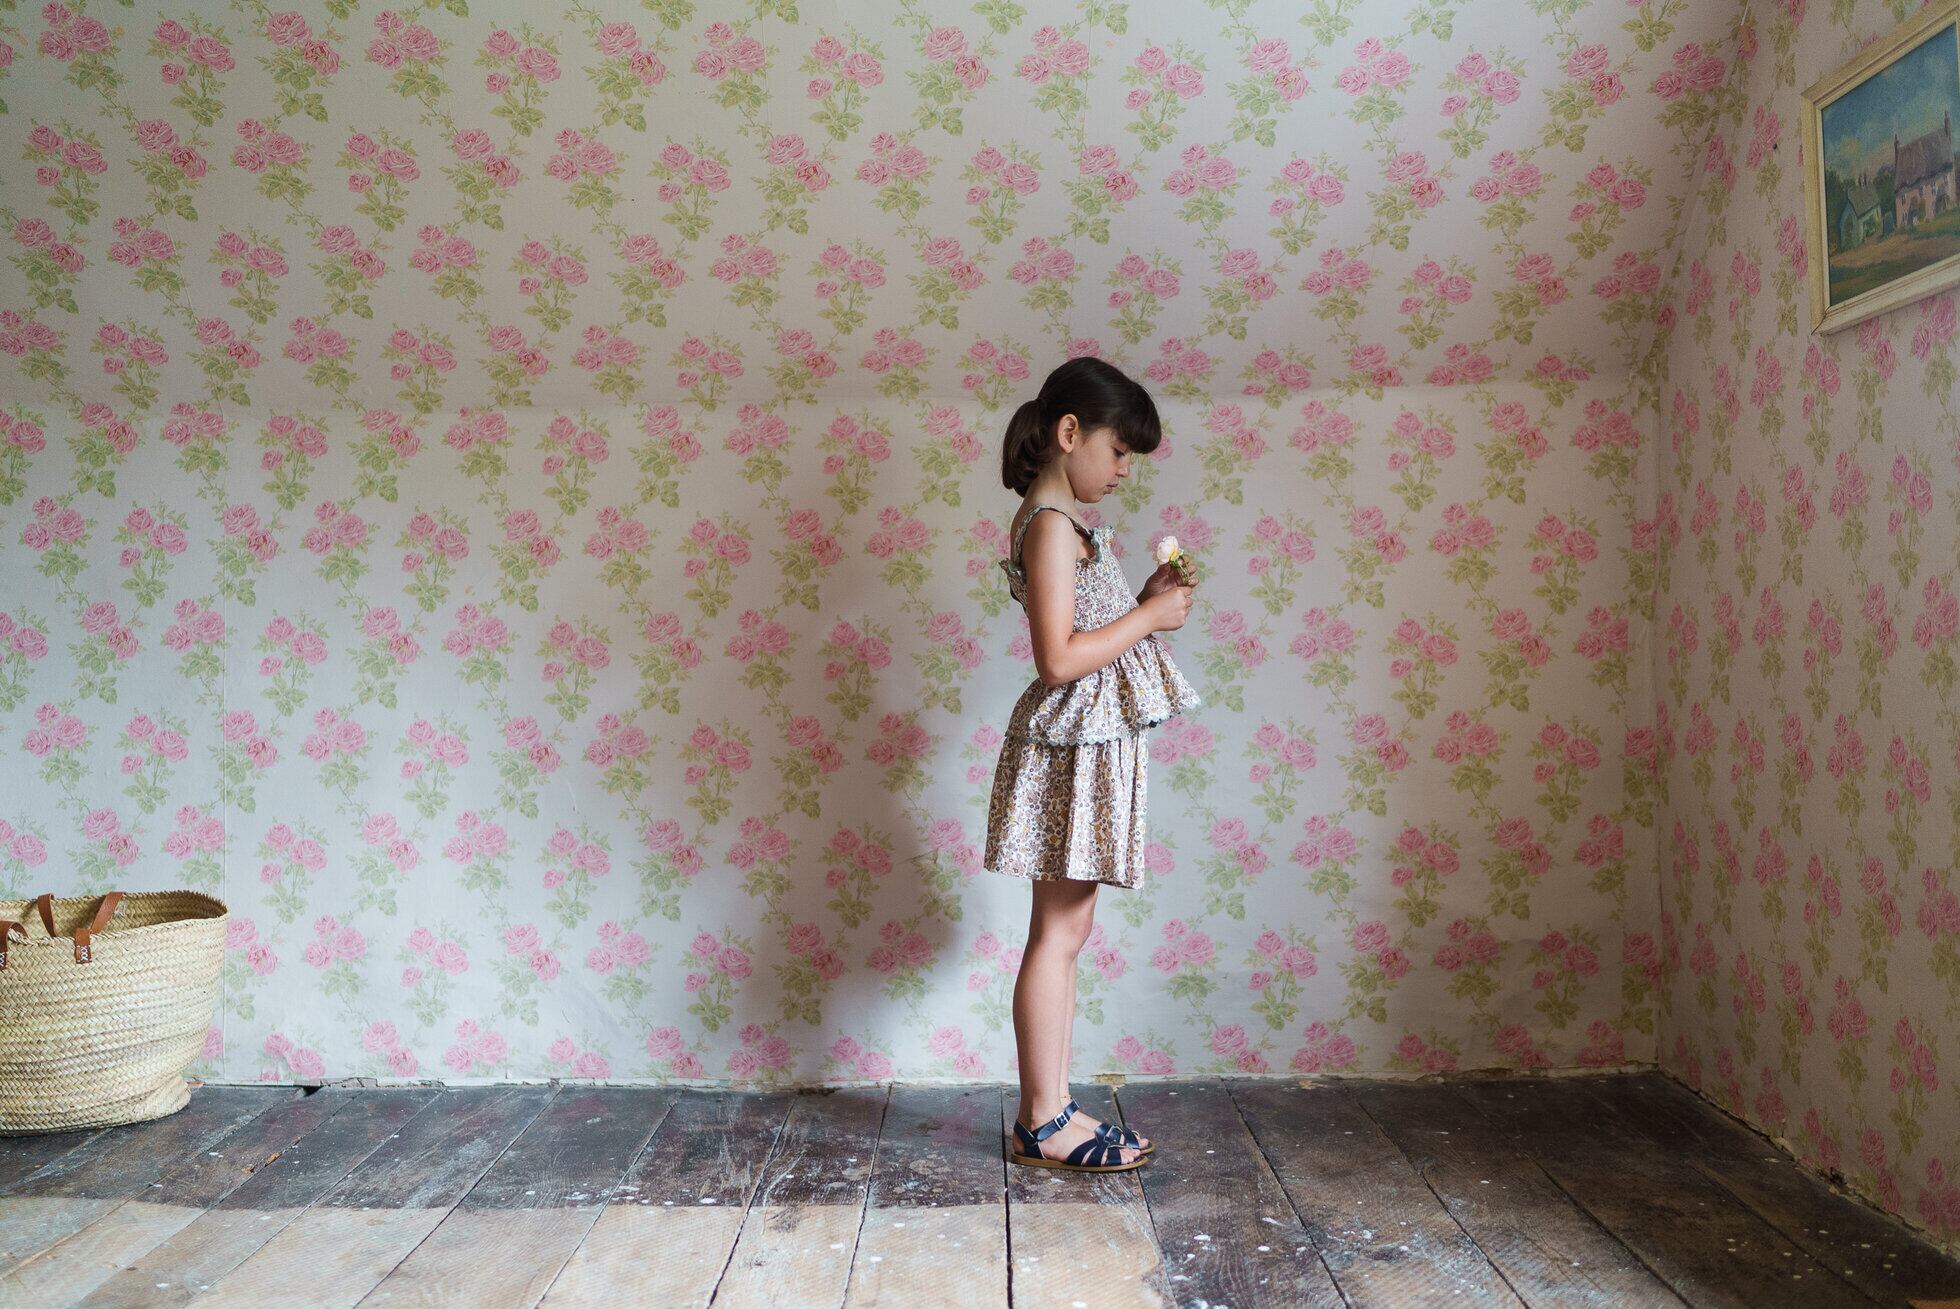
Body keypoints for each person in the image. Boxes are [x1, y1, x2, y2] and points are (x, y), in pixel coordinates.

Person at [982, 356, 1202, 1172]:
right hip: (1070, 748)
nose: (1123, 469)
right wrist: (1149, 616)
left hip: (1085, 747)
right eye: (1118, 450)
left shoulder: (1066, 525)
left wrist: (1140, 600)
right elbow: (1058, 659)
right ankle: (1043, 1118)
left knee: (1067, 931)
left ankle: (1053, 1107)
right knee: (1057, 933)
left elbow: (1085, 632)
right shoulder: (1048, 525)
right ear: (1070, 432)